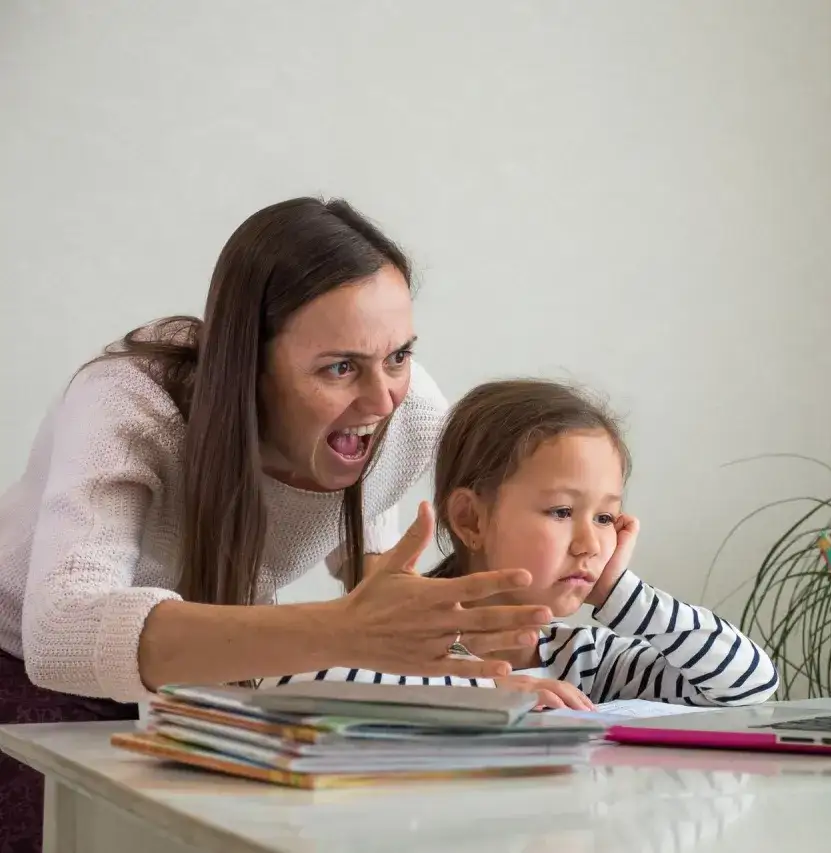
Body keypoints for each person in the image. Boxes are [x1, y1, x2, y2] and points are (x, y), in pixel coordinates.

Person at [0, 197, 556, 853]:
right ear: (251, 366)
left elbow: (374, 576)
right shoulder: (131, 399)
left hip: (199, 687)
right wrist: (340, 631)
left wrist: (474, 681)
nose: (382, 400)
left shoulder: (407, 415)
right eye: (340, 366)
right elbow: (62, 632)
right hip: (24, 679)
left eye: (399, 355)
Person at [266, 379, 779, 710]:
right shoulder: (396, 643)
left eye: (605, 516)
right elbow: (286, 682)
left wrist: (621, 596)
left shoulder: (587, 659)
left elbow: (750, 686)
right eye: (561, 511)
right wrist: (488, 694)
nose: (589, 543)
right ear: (471, 519)